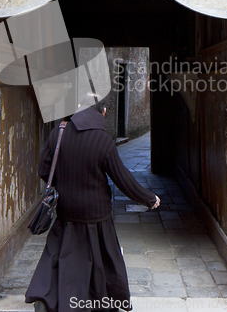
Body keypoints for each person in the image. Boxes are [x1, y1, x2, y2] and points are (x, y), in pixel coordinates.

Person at [25, 96, 160, 312]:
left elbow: (44, 170)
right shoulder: (103, 141)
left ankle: (48, 297)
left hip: (66, 211)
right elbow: (122, 178)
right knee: (100, 260)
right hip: (96, 214)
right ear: (103, 112)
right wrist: (148, 198)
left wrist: (66, 182)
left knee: (61, 256)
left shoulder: (58, 133)